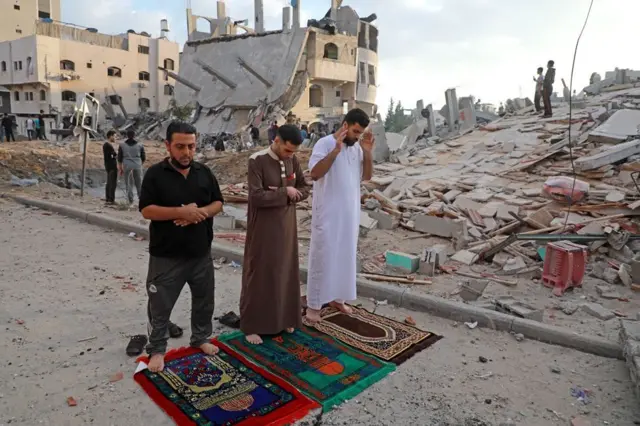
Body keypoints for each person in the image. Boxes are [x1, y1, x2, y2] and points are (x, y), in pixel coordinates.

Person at [139, 120, 224, 372]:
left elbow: (218, 202)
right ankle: (156, 349)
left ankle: (200, 338)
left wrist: (201, 213)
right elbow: (146, 210)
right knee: (160, 306)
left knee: (204, 301)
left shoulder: (204, 172)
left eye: (191, 146)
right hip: (167, 256)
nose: (186, 152)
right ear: (167, 146)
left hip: (200, 254)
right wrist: (180, 212)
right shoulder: (155, 174)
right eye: (180, 146)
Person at [240, 124, 309, 344]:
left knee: (285, 272)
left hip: (287, 226)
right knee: (260, 273)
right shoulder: (257, 160)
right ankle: (252, 325)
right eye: (288, 150)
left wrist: (284, 193)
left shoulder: (293, 160)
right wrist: (285, 191)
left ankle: (284, 319)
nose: (290, 155)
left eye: (293, 152)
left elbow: (304, 189)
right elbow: (257, 197)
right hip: (263, 227)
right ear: (276, 141)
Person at [305, 109, 374, 323]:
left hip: (349, 214)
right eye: (355, 131)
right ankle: (314, 305)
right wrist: (335, 151)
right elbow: (315, 174)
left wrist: (368, 151)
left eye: (360, 133)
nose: (357, 136)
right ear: (345, 125)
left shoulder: (357, 148)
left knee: (345, 257)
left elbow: (367, 176)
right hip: (327, 212)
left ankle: (338, 298)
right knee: (323, 257)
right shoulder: (324, 144)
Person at [117, 130, 146, 205]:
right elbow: (143, 157)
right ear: (134, 135)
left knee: (128, 183)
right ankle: (141, 198)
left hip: (127, 165)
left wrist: (120, 168)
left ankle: (130, 199)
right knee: (139, 182)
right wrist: (140, 164)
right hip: (137, 165)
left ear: (127, 135)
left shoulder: (122, 145)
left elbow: (119, 158)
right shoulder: (140, 145)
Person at [102, 130, 119, 204]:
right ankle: (111, 200)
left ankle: (108, 198)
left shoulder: (106, 145)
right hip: (112, 166)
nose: (116, 138)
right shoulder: (108, 145)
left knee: (109, 182)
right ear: (111, 136)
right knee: (112, 183)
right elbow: (113, 155)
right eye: (115, 136)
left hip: (108, 165)